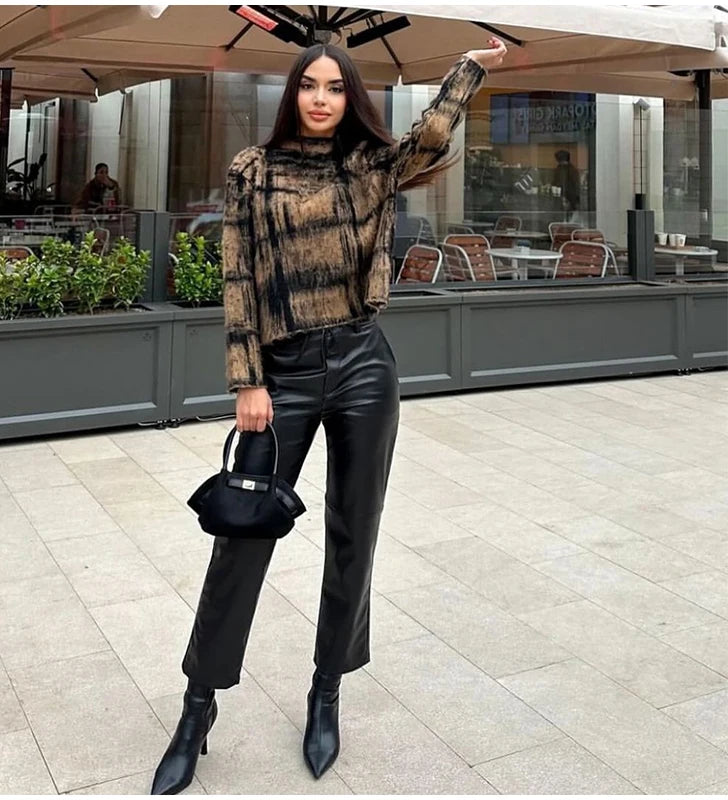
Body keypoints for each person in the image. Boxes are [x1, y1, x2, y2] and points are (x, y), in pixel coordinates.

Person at [151, 36, 507, 795]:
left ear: (351, 98)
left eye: (335, 88)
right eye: (309, 86)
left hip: (363, 367)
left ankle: (326, 690)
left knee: (355, 533)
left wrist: (466, 69)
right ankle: (197, 706)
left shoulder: (369, 164)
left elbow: (432, 138)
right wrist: (247, 380)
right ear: (293, 94)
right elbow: (238, 278)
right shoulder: (254, 170)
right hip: (280, 376)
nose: (320, 99)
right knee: (242, 539)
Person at [552, 149, 580, 220]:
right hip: (570, 197)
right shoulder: (572, 169)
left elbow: (559, 182)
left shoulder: (562, 169)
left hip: (568, 196)